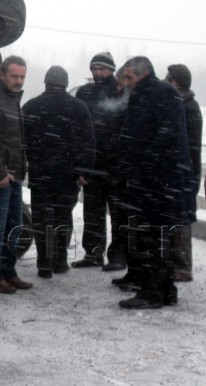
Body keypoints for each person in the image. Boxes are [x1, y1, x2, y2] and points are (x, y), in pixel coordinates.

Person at [116, 56, 192, 309]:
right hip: (154, 179)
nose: (126, 82)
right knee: (158, 236)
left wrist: (142, 161)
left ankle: (152, 293)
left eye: (129, 77)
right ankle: (166, 290)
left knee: (154, 236)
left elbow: (166, 137)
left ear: (143, 74)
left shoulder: (162, 94)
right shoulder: (147, 95)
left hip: (159, 181)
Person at [23, 66, 95, 279]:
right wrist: (83, 170)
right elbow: (88, 142)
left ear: (46, 83)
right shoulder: (79, 107)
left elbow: (22, 141)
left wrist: (30, 161)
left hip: (41, 173)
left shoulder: (31, 106)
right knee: (63, 216)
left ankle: (44, 264)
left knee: (42, 219)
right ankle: (60, 261)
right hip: (68, 174)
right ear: (66, 84)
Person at [0, 55, 33, 294]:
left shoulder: (11, 98)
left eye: (22, 77)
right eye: (14, 76)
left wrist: (17, 170)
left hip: (14, 175)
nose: (18, 81)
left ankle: (9, 272)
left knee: (15, 226)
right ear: (2, 75)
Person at [72, 52, 129, 271]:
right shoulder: (85, 92)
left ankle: (118, 256)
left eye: (102, 69)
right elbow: (78, 128)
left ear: (111, 70)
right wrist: (81, 163)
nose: (97, 72)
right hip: (92, 162)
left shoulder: (121, 90)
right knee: (92, 211)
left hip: (116, 163)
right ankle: (93, 253)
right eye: (94, 68)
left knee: (118, 213)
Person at [165, 64, 202, 282]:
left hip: (184, 173)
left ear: (174, 82)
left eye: (167, 78)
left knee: (180, 221)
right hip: (184, 171)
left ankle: (183, 267)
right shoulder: (186, 105)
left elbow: (190, 145)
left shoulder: (186, 108)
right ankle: (177, 264)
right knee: (178, 218)